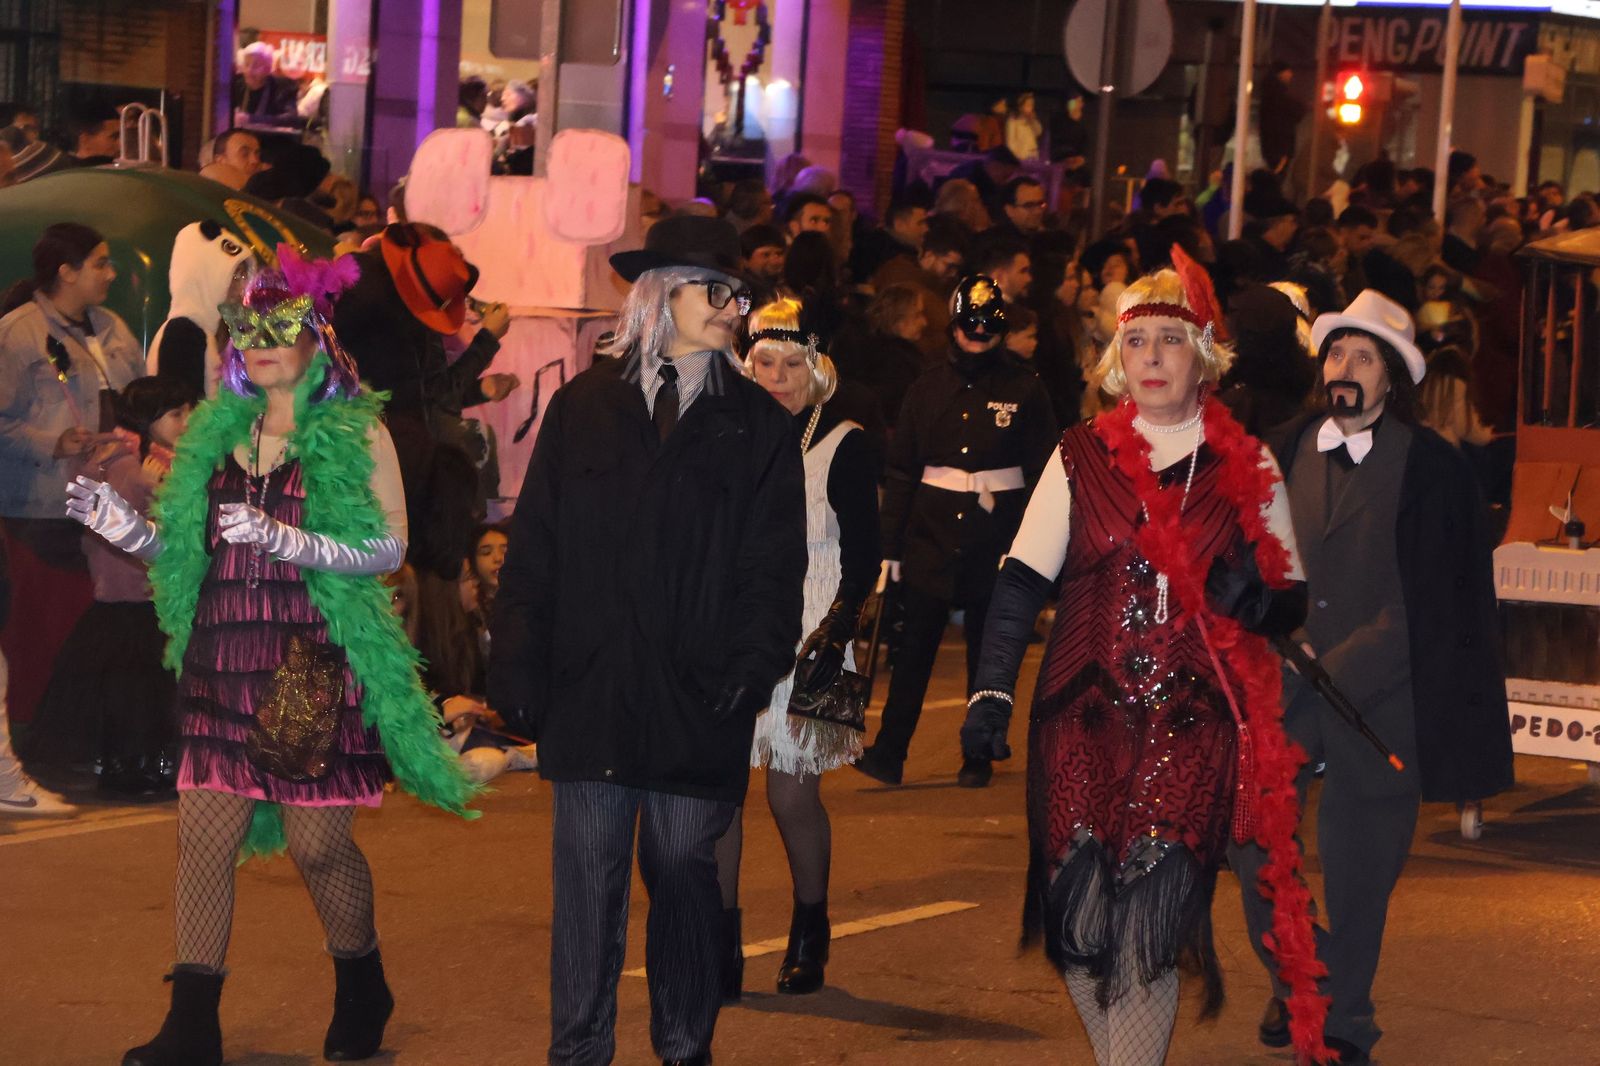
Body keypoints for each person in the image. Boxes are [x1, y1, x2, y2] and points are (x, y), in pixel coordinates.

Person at [68, 248, 477, 1066]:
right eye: (246, 327)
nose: (259, 341)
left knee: (316, 846)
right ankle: (192, 1024)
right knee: (205, 835)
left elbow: (389, 545)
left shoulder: (357, 434)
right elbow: (188, 551)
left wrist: (292, 539)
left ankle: (362, 980)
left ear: (316, 338)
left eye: (280, 325)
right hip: (223, 652)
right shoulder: (217, 434)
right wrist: (130, 533)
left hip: (305, 663)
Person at [959, 249, 1326, 1066]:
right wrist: (989, 695)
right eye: (1138, 342)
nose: (1153, 357)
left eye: (1171, 339)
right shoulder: (1077, 455)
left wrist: (1254, 601)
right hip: (1077, 723)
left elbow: (1290, 598)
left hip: (1190, 730)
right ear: (1115, 361)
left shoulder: (1248, 463)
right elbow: (1020, 584)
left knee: (1148, 933)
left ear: (1204, 358)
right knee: (1083, 933)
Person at [488, 214, 806, 1066]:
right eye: (718, 291)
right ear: (661, 293)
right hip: (591, 686)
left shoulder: (758, 427)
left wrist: (752, 664)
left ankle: (683, 1043)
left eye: (739, 294)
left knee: (683, 873)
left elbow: (774, 567)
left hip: (699, 691)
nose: (734, 308)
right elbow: (536, 545)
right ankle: (580, 1048)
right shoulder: (585, 405)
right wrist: (515, 658)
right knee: (587, 887)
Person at [1229, 289, 1513, 1066]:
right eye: (1336, 354)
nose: (1345, 369)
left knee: (1359, 877)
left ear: (1393, 378)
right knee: (1249, 839)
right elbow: (1249, 557)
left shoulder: (1432, 469)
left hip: (1383, 700)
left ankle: (1344, 1020)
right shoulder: (1280, 447)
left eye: (1363, 357)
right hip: (1281, 688)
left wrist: (1338, 663)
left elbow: (1433, 597)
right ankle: (1299, 980)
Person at [714, 297, 881, 1001]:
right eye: (764, 363)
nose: (777, 376)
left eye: (791, 364)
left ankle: (810, 926)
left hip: (812, 626)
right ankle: (718, 941)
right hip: (730, 623)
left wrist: (835, 631)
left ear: (816, 370)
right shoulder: (723, 434)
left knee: (789, 793)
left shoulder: (845, 441)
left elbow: (865, 554)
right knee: (716, 793)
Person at [855, 275, 1057, 788]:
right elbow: (902, 471)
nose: (978, 338)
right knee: (914, 650)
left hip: (996, 538)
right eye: (970, 328)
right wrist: (890, 547)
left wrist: (1036, 547)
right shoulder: (927, 387)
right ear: (953, 327)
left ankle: (979, 754)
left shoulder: (1025, 388)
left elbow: (1044, 475)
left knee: (986, 654)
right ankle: (889, 753)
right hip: (931, 536)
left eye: (989, 329)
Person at [0, 223, 144, 728]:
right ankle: (36, 734)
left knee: (102, 621)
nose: (112, 272)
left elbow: (139, 402)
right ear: (67, 271)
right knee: (48, 625)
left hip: (111, 502)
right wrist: (51, 442)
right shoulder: (18, 334)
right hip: (41, 509)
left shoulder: (112, 328)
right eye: (100, 263)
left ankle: (87, 734)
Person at [27, 377, 190, 796]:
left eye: (188, 411)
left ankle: (149, 765)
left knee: (145, 691)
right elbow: (113, 532)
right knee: (135, 692)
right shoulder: (131, 466)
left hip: (147, 594)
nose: (187, 420)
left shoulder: (155, 461)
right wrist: (162, 490)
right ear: (148, 421)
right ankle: (132, 767)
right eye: (176, 414)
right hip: (133, 596)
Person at [148, 221, 255, 402]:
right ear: (205, 275)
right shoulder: (182, 333)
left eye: (243, 275)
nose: (241, 288)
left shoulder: (218, 331)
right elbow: (182, 414)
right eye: (233, 276)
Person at [232, 42, 300, 129]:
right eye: (246, 64)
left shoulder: (283, 87)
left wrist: (251, 119)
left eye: (256, 66)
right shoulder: (236, 84)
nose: (249, 71)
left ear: (268, 69)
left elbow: (291, 119)